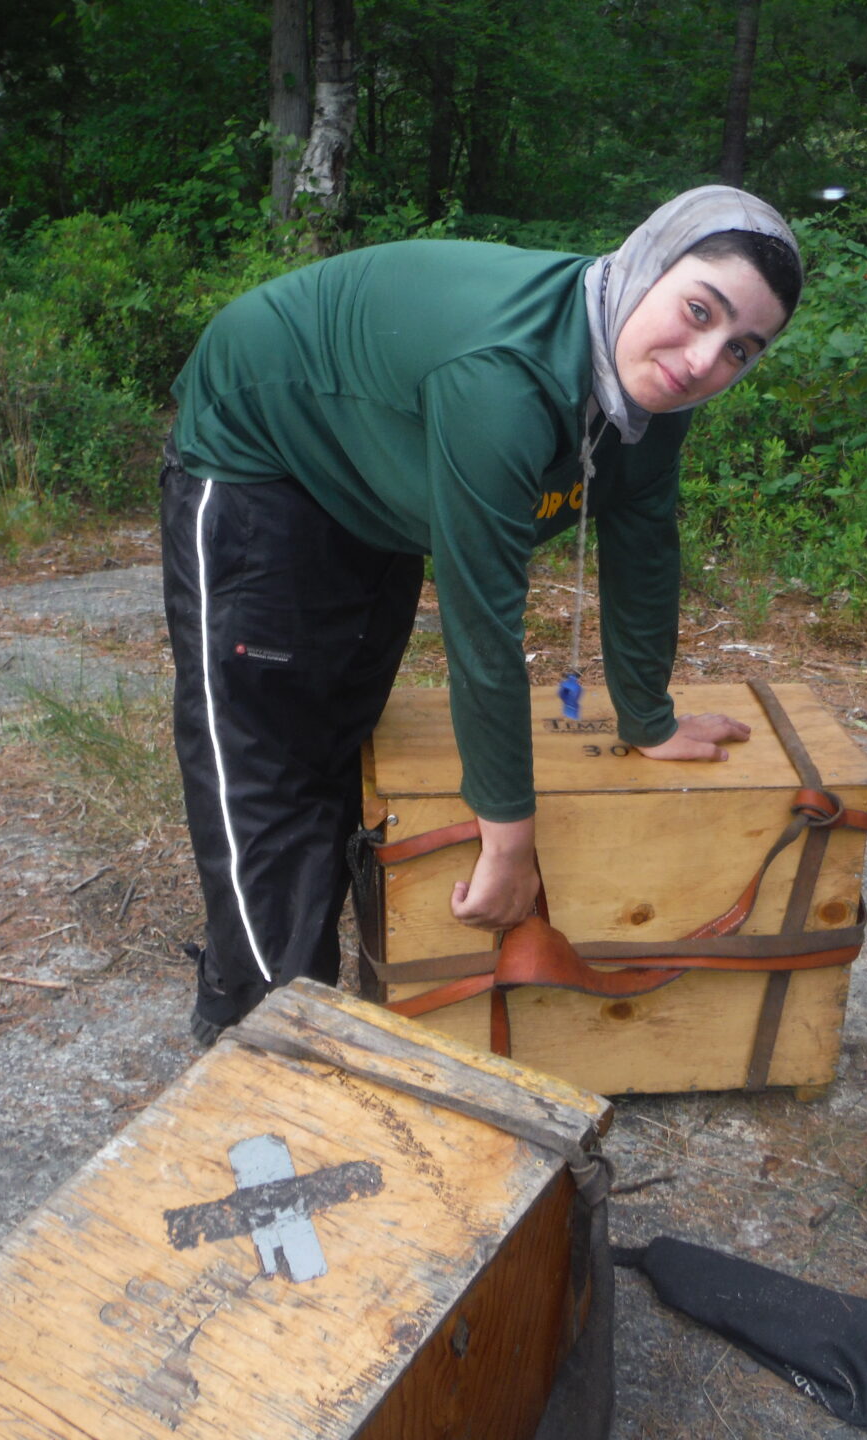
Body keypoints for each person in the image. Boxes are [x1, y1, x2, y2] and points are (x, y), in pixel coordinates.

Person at [160, 185, 802, 1043]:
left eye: (740, 350)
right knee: (264, 749)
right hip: (263, 441)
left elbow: (643, 543)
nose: (701, 360)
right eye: (697, 310)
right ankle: (256, 1033)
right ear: (645, 267)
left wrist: (647, 716)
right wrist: (508, 839)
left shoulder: (647, 399)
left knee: (340, 725)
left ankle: (316, 961)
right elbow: (483, 628)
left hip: (376, 467)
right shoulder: (502, 383)